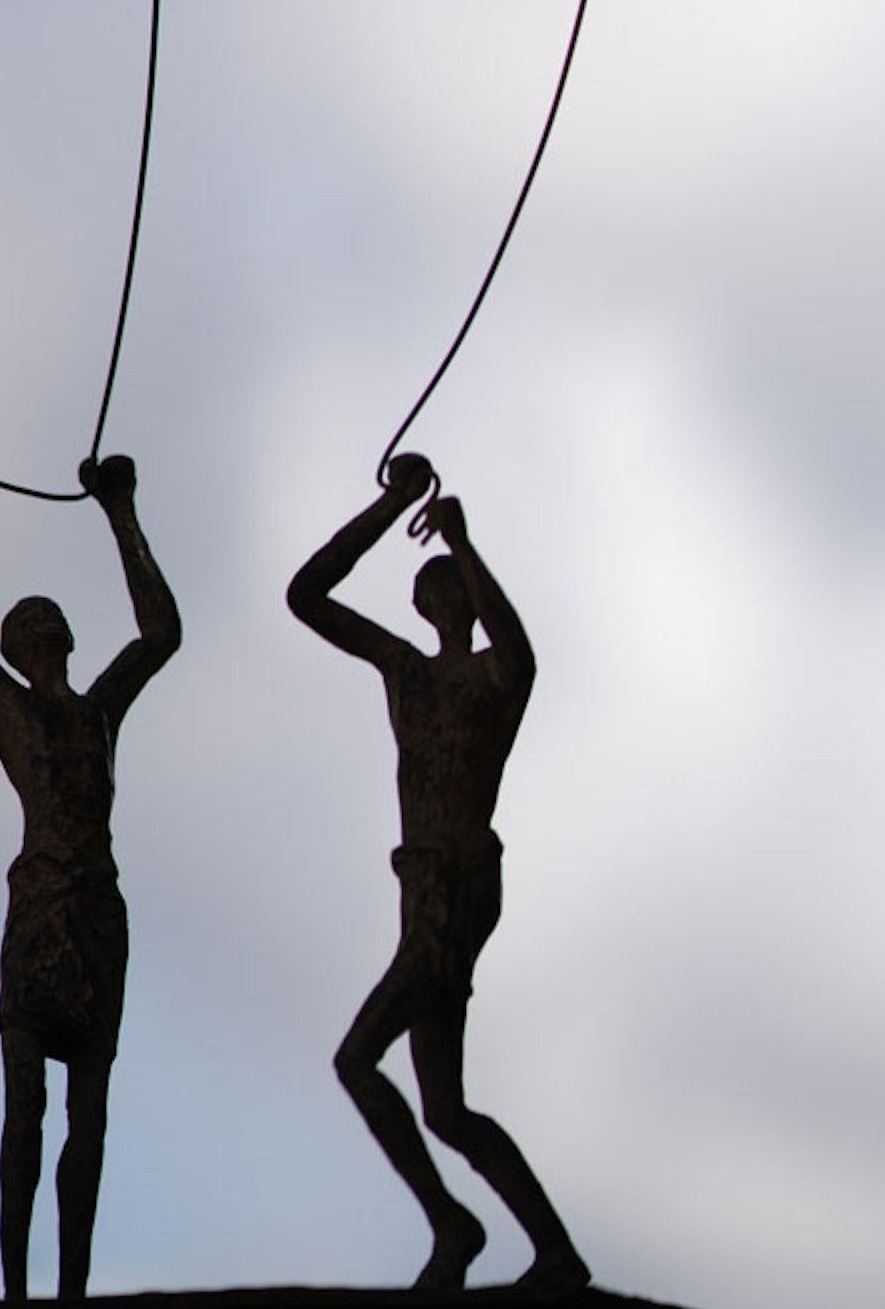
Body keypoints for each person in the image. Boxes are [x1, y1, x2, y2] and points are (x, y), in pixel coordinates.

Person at [288, 450, 590, 1295]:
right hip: (423, 888)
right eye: (435, 592)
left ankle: (453, 1225)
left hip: (455, 888)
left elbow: (522, 651)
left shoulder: (493, 677)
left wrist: (465, 539)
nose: (441, 602)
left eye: (451, 590)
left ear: (464, 601)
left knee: (357, 1059)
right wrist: (394, 505)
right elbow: (306, 597)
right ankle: (550, 1250)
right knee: (446, 1108)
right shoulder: (405, 672)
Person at [0, 437, 181, 1301]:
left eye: (49, 620)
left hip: (97, 916)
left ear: (65, 639)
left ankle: (71, 1293)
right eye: (28, 624)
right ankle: (18, 1291)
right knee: (28, 1112)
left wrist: (119, 510)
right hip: (42, 912)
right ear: (18, 649)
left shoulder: (99, 711)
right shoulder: (4, 702)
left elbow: (162, 633)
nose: (42, 628)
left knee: (88, 1115)